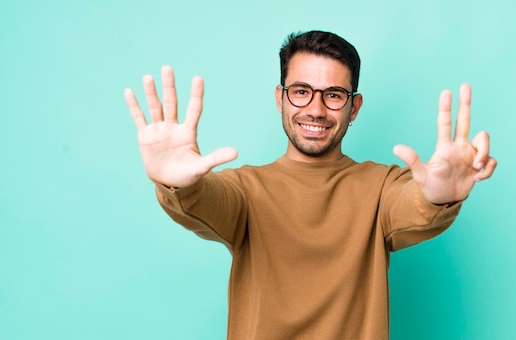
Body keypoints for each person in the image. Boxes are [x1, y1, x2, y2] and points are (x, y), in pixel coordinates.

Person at [124, 30, 496, 340]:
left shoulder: (382, 187)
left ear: (354, 107)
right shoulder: (246, 190)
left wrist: (438, 196)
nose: (316, 109)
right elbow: (206, 201)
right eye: (301, 91)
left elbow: (412, 205)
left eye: (333, 95)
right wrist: (177, 185)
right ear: (280, 98)